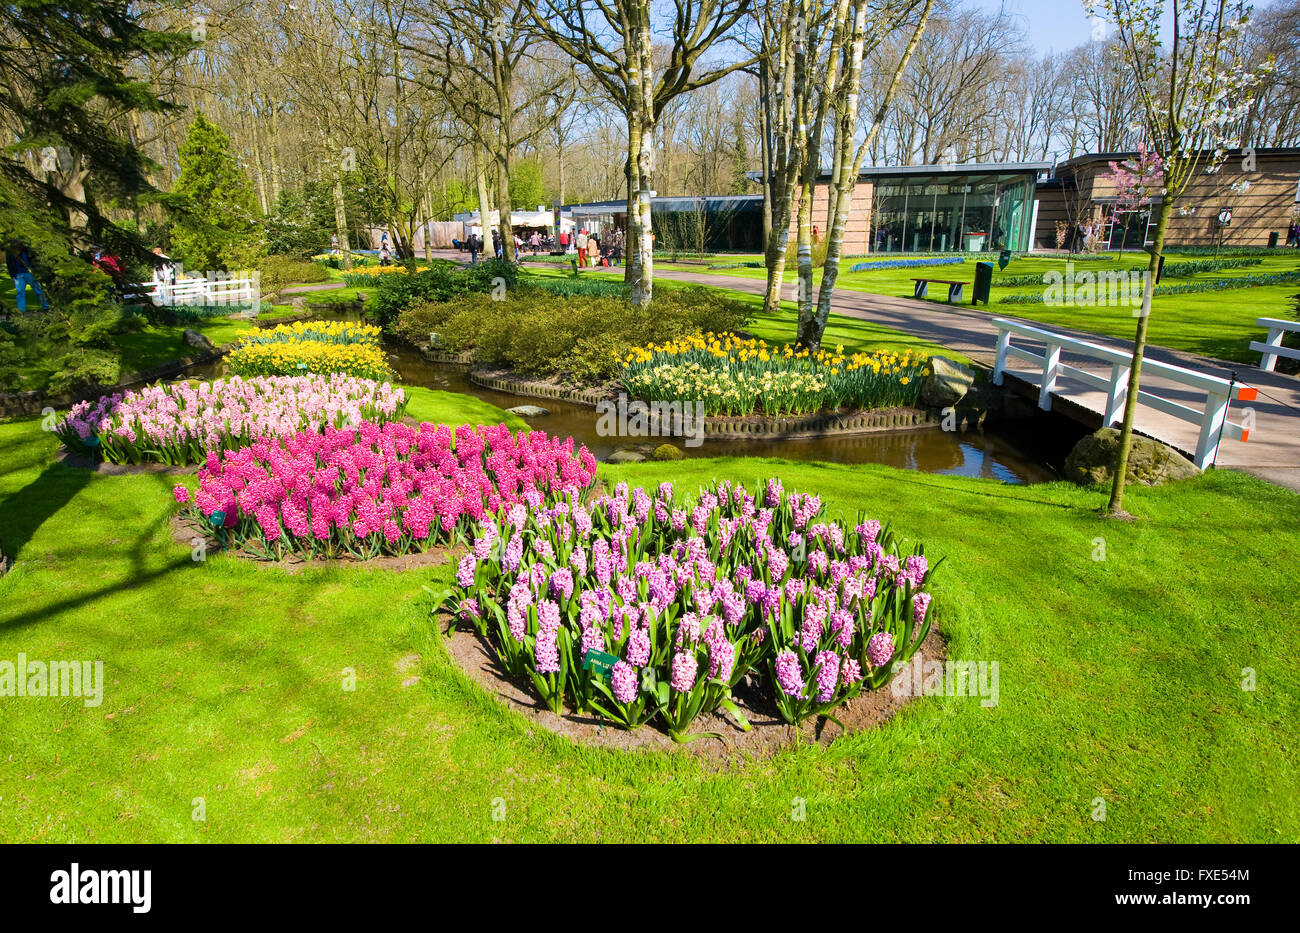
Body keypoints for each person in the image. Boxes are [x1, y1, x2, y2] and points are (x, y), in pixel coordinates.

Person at [6, 240, 49, 312]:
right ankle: (21, 310)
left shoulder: (27, 250)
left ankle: (45, 307)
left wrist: (36, 271)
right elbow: (9, 264)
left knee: (38, 290)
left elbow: (34, 261)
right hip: (18, 275)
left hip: (29, 273)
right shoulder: (10, 253)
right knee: (20, 292)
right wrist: (12, 276)